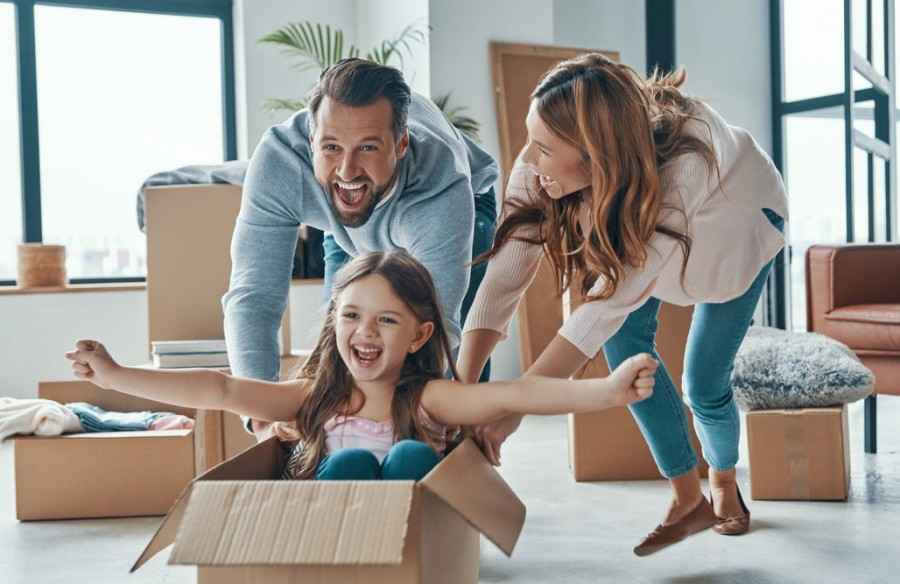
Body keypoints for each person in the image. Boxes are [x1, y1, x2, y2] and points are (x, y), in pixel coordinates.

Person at [457, 53, 788, 555]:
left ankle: (721, 476)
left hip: (736, 241)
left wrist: (512, 407)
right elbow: (504, 278)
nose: (526, 160)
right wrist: (464, 393)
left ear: (595, 159)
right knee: (626, 355)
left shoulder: (684, 168)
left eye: (543, 148)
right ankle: (686, 498)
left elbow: (600, 310)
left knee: (703, 383)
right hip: (649, 245)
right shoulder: (541, 169)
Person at [66, 251, 658, 481]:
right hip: (333, 542)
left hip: (410, 544)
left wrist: (605, 392)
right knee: (347, 458)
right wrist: (116, 377)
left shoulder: (427, 397)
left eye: (387, 321)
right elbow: (218, 388)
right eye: (351, 316)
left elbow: (514, 397)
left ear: (420, 334)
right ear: (334, 322)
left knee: (409, 456)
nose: (364, 333)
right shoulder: (311, 398)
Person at [223, 58, 499, 441]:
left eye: (367, 147)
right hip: (347, 222)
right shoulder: (279, 164)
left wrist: (408, 425)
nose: (348, 169)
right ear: (311, 140)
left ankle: (464, 454)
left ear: (401, 144)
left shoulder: (441, 184)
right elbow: (253, 296)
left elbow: (435, 326)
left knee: (454, 372)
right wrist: (263, 420)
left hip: (463, 204)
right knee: (341, 338)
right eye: (331, 147)